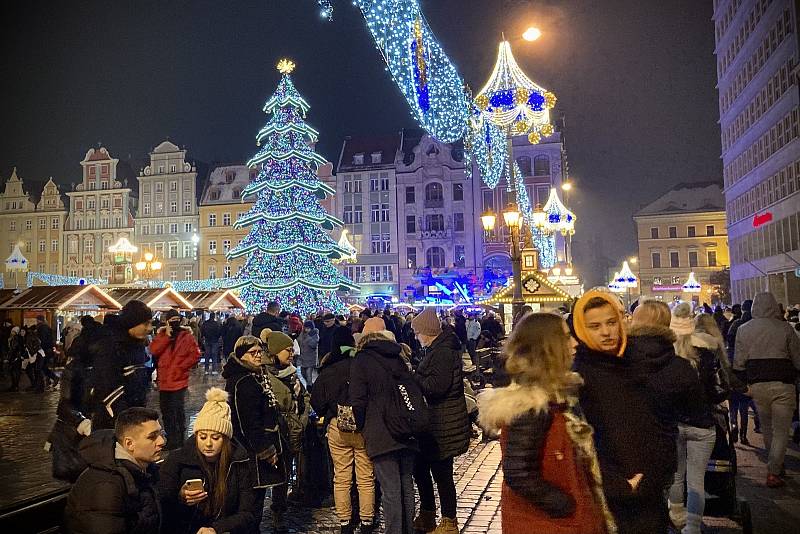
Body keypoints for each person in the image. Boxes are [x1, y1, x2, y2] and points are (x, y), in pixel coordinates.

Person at [479, 313, 614, 534]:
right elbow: (519, 473)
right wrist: (565, 505)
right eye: (566, 337)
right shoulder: (532, 405)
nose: (574, 343)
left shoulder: (555, 396)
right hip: (548, 524)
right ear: (548, 347)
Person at [571, 290, 674, 534]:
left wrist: (659, 470)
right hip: (609, 497)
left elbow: (664, 423)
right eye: (594, 326)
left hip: (651, 489)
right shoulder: (577, 378)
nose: (606, 332)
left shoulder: (638, 364)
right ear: (581, 329)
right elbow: (579, 442)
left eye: (611, 323)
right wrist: (618, 484)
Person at [663, 303, 730, 533]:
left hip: (675, 423)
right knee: (696, 481)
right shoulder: (706, 354)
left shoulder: (667, 357)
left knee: (676, 475)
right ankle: (692, 527)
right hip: (701, 423)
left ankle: (677, 515)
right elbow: (715, 390)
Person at [350, 317, 419, 534]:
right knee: (406, 486)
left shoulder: (362, 360)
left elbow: (357, 401)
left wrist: (362, 427)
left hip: (381, 431)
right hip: (406, 427)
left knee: (390, 489)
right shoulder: (398, 355)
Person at [159, 387, 260, 534]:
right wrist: (180, 498)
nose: (208, 444)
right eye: (202, 436)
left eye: (215, 437)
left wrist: (217, 529)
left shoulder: (240, 462)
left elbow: (248, 512)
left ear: (225, 439)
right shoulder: (177, 460)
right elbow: (163, 506)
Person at [410, 308, 471, 534]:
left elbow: (437, 387)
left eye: (417, 333)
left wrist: (415, 377)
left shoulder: (443, 351)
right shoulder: (436, 349)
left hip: (443, 423)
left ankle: (449, 521)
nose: (416, 337)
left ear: (427, 332)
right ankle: (427, 513)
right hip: (435, 423)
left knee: (442, 475)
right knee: (421, 469)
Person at [311, 325, 375, 534]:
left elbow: (317, 401)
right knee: (365, 477)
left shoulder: (329, 369)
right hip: (363, 426)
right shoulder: (363, 365)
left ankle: (346, 522)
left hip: (338, 427)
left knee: (342, 477)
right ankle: (366, 521)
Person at [733, 292, 800, 487]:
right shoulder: (785, 328)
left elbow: (738, 363)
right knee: (781, 431)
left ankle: (775, 466)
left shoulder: (744, 330)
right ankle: (774, 470)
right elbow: (797, 359)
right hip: (783, 384)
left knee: (768, 429)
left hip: (757, 385)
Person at [63, 407, 165, 534]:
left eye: (161, 434)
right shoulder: (106, 485)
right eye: (152, 437)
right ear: (129, 444)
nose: (162, 441)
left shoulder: (145, 469)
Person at [223, 335, 284, 531]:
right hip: (252, 451)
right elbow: (246, 421)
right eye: (253, 353)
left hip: (259, 445)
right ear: (242, 356)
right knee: (251, 501)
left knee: (257, 498)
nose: (258, 356)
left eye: (260, 351)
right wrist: (263, 449)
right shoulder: (243, 381)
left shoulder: (255, 375)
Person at [261, 328, 310, 529]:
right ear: (275, 352)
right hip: (274, 433)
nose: (292, 353)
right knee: (269, 474)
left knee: (283, 475)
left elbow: (304, 397)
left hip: (292, 431)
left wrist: (302, 420)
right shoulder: (263, 375)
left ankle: (279, 510)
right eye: (287, 350)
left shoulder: (292, 374)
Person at [89, 301, 154, 430]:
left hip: (134, 416)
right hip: (113, 422)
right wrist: (126, 421)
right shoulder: (111, 347)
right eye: (145, 323)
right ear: (132, 323)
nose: (150, 328)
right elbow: (107, 388)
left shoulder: (137, 346)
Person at [149, 309, 201, 450]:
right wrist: (166, 337)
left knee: (178, 411)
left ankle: (179, 439)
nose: (174, 323)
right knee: (166, 412)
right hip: (164, 381)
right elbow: (153, 350)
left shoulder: (186, 336)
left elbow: (195, 355)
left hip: (179, 381)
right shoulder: (161, 335)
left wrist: (181, 367)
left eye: (176, 319)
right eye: (171, 320)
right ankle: (172, 439)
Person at [727, 299, 759, 443]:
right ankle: (743, 435)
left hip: (734, 371)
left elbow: (728, 344)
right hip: (747, 372)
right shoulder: (755, 327)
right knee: (744, 406)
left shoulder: (735, 325)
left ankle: (733, 424)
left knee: (733, 404)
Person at [36, 314, 59, 389]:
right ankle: (51, 378)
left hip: (44, 350)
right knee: (43, 367)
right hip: (47, 350)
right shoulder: (46, 327)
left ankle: (42, 384)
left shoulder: (42, 328)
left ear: (39, 320)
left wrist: (40, 348)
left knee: (40, 367)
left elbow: (43, 340)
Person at [298, 320, 320, 387]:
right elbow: (299, 341)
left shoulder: (314, 335)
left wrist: (308, 337)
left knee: (308, 374)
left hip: (310, 358)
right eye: (305, 328)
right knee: (303, 373)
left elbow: (313, 345)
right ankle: (309, 385)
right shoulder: (302, 334)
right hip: (303, 357)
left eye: (308, 328)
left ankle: (309, 387)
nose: (306, 329)